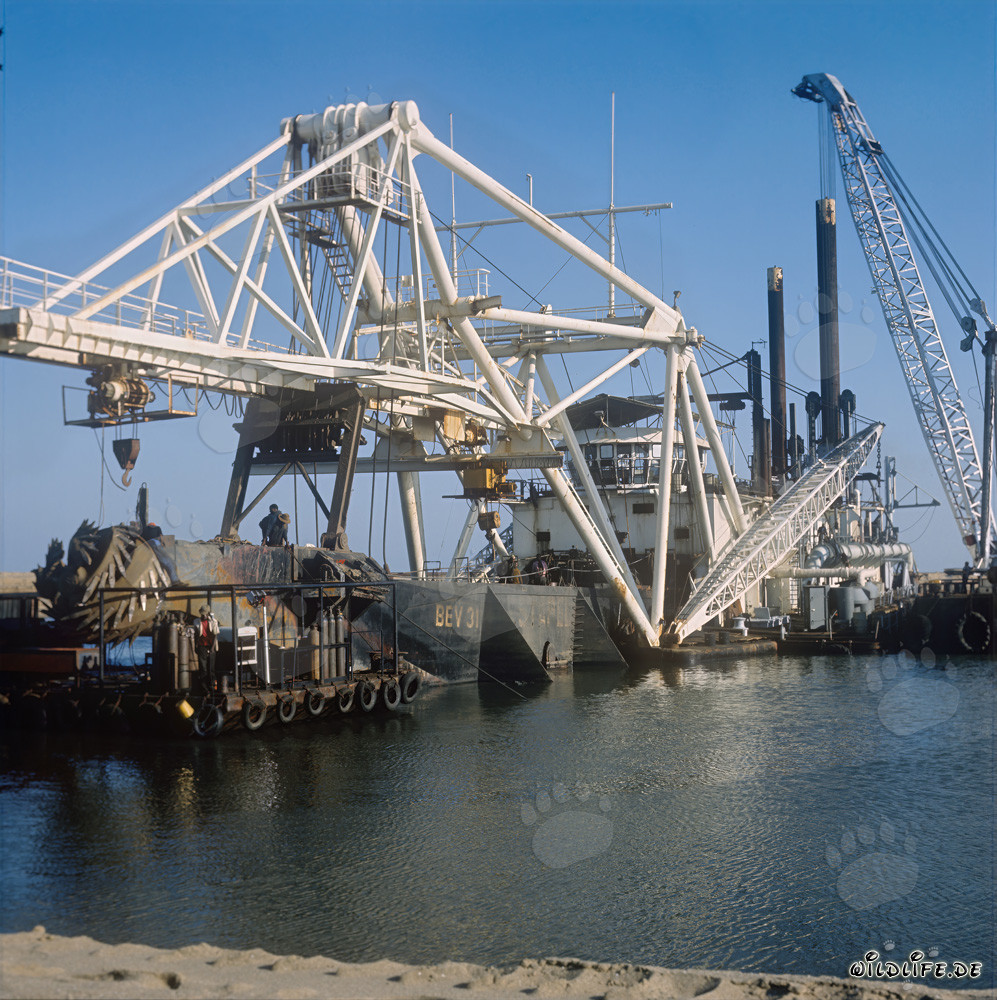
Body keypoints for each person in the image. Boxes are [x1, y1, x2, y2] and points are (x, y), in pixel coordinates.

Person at [194, 604, 220, 694]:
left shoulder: (213, 622)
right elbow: (196, 635)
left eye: (205, 614)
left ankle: (212, 687)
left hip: (211, 646)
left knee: (211, 669)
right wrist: (195, 647)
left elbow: (215, 634)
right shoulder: (196, 622)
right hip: (201, 647)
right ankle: (204, 689)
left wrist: (212, 648)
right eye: (202, 614)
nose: (203, 615)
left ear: (208, 613)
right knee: (203, 669)